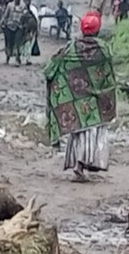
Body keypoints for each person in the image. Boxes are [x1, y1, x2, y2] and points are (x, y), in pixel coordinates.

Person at [42, 12, 118, 180]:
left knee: (77, 133)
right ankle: (83, 164)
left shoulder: (71, 47)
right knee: (92, 132)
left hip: (76, 99)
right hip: (95, 100)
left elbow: (52, 66)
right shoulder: (104, 48)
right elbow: (108, 73)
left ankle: (78, 165)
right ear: (97, 30)